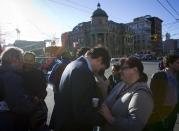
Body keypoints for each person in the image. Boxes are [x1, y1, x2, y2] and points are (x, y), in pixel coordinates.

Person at [51, 47, 111, 131]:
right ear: (99, 59)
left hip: (65, 122)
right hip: (73, 126)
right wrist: (106, 119)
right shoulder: (83, 71)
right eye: (101, 68)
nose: (98, 72)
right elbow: (82, 112)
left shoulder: (75, 64)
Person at [100, 57, 153, 131]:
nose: (120, 71)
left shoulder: (142, 93)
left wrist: (110, 118)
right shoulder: (121, 84)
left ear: (135, 70)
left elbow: (135, 126)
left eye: (124, 68)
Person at [0, 47, 38, 131]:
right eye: (22, 59)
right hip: (9, 121)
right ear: (14, 60)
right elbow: (19, 105)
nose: (23, 62)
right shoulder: (12, 77)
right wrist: (34, 106)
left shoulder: (3, 72)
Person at [145, 54, 179, 131]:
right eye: (177, 63)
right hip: (162, 111)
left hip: (173, 111)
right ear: (170, 64)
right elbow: (152, 95)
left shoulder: (177, 75)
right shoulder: (159, 75)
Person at [22, 51, 48, 130]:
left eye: (31, 60)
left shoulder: (39, 73)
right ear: (23, 60)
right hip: (21, 108)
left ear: (34, 61)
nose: (28, 62)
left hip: (36, 107)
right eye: (26, 60)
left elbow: (44, 89)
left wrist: (39, 97)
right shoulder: (18, 72)